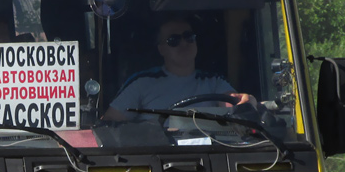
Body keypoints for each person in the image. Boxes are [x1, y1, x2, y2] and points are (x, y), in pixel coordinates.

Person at [104, 17, 255, 121]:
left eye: (188, 37)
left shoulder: (213, 81)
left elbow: (235, 103)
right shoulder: (141, 83)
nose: (184, 43)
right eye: (174, 40)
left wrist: (249, 101)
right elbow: (110, 123)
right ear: (162, 49)